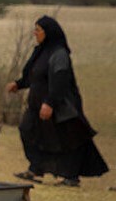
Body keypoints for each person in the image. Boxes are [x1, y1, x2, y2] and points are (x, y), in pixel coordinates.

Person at [7, 15, 108, 187]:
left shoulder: (59, 54)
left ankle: (71, 176)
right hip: (36, 105)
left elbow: (60, 81)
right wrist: (19, 84)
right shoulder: (41, 51)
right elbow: (35, 75)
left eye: (38, 30)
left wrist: (50, 103)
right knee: (28, 130)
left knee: (68, 140)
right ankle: (35, 169)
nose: (35, 33)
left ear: (49, 33)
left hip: (60, 106)